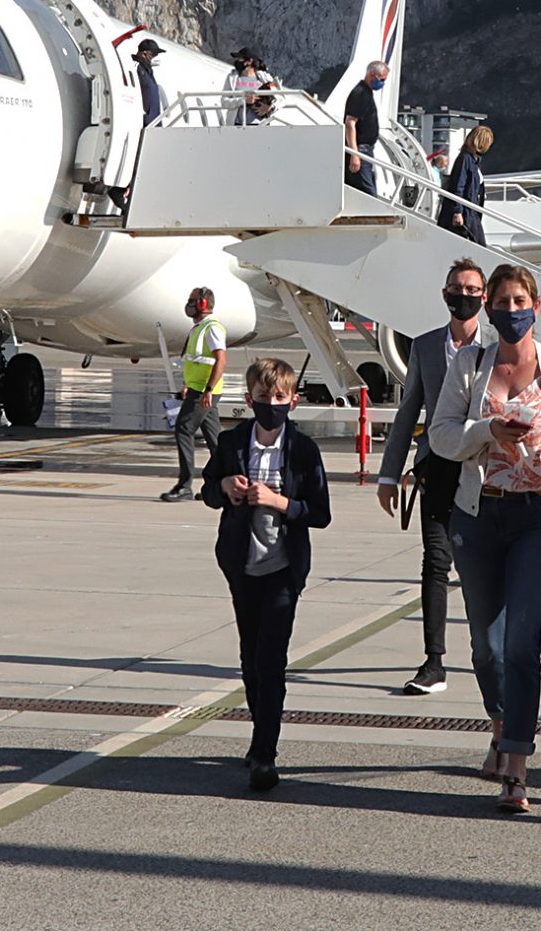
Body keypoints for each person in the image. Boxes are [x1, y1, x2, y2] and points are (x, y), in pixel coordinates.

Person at [427, 263, 541, 812]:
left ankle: (516, 765)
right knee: (486, 647)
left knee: (521, 639)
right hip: (479, 514)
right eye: (502, 303)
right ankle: (500, 723)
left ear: (536, 305)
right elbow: (441, 436)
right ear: (489, 309)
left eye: (519, 301)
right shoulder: (471, 361)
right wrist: (487, 430)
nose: (511, 311)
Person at [202, 356, 332, 793]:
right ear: (248, 400)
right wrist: (224, 488)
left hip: (283, 566)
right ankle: (262, 726)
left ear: (292, 401)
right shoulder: (232, 441)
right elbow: (208, 488)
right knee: (249, 658)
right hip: (241, 563)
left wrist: (279, 503)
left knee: (271, 658)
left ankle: (264, 753)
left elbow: (319, 513)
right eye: (262, 398)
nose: (270, 405)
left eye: (278, 398)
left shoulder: (304, 450)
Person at [377, 259, 488, 695]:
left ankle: (487, 652)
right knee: (436, 562)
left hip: (481, 466)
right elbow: (408, 414)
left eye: (473, 289)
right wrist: (389, 475)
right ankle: (434, 660)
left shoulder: (498, 345)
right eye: (457, 289)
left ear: (483, 296)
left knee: (481, 566)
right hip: (437, 466)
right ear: (445, 295)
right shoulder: (424, 346)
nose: (464, 296)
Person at [160, 287, 227, 502]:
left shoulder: (212, 328)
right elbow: (196, 360)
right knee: (215, 440)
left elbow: (220, 360)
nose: (188, 304)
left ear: (203, 304)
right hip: (198, 389)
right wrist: (188, 385)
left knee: (183, 429)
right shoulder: (199, 328)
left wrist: (207, 389)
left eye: (192, 301)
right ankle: (222, 485)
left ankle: (185, 485)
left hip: (204, 392)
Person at [342, 60, 389, 197]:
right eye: (382, 79)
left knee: (368, 190)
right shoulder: (361, 93)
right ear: (372, 75)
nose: (382, 83)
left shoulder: (366, 93)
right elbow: (350, 123)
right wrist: (355, 154)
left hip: (365, 150)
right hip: (360, 149)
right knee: (368, 194)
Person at [441, 124, 491, 245]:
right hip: (466, 212)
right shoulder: (465, 159)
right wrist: (457, 212)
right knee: (479, 245)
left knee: (479, 244)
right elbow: (458, 185)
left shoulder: (473, 161)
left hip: (471, 211)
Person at [224, 48, 267, 120]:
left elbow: (280, 97)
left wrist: (269, 107)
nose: (237, 61)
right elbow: (224, 101)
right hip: (236, 125)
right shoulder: (232, 78)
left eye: (240, 59)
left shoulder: (264, 78)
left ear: (249, 61)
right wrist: (243, 100)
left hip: (260, 125)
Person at [133, 38, 166, 125]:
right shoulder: (136, 67)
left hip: (154, 121)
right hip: (145, 122)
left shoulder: (147, 70)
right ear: (144, 54)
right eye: (152, 55)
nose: (153, 58)